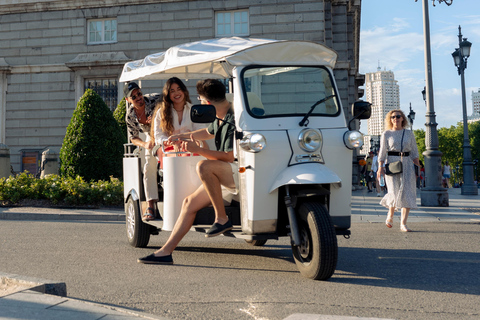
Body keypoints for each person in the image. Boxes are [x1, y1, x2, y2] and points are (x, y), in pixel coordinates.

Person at [137, 79, 237, 264]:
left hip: (235, 172)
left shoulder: (232, 117)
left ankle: (222, 218)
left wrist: (198, 149)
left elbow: (229, 157)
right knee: (188, 202)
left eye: (201, 99)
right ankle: (165, 252)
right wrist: (180, 136)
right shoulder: (221, 114)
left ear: (207, 102)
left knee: (203, 166)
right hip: (223, 173)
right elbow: (207, 132)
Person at [377, 110, 420, 232]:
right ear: (390, 120)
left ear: (403, 118)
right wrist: (380, 167)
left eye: (397, 116)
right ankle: (390, 215)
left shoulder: (409, 133)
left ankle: (403, 224)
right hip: (392, 164)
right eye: (392, 117)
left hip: (407, 164)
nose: (395, 118)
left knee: (407, 192)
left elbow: (415, 152)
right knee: (394, 191)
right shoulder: (386, 134)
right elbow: (382, 152)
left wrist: (418, 169)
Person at [124, 82, 162, 221]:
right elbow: (133, 137)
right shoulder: (130, 116)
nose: (138, 98)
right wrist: (145, 144)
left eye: (139, 94)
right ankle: (150, 205)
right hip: (150, 137)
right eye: (134, 97)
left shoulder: (155, 99)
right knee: (148, 166)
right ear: (128, 100)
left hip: (167, 131)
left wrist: (160, 117)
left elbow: (175, 104)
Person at [152, 77, 208, 167]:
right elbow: (158, 135)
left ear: (184, 91)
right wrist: (171, 142)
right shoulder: (161, 112)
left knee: (192, 156)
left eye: (179, 89)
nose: (176, 93)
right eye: (172, 91)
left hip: (191, 147)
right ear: (168, 94)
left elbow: (200, 130)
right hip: (170, 148)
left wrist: (186, 142)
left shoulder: (194, 110)